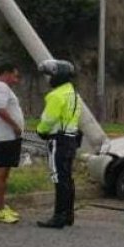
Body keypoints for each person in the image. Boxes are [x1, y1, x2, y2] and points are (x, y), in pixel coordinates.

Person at [35, 59, 81, 230]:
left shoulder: (56, 95)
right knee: (67, 177)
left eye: (50, 75)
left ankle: (58, 217)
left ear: (58, 76)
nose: (48, 79)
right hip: (71, 138)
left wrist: (40, 130)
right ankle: (68, 214)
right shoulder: (73, 94)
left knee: (58, 178)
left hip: (58, 140)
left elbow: (48, 119)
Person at [0, 62, 24, 224]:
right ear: (6, 73)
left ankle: (1, 206)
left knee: (4, 173)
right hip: (6, 137)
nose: (16, 80)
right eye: (14, 76)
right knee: (1, 174)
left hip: (3, 137)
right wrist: (15, 126)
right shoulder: (1, 88)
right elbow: (0, 109)